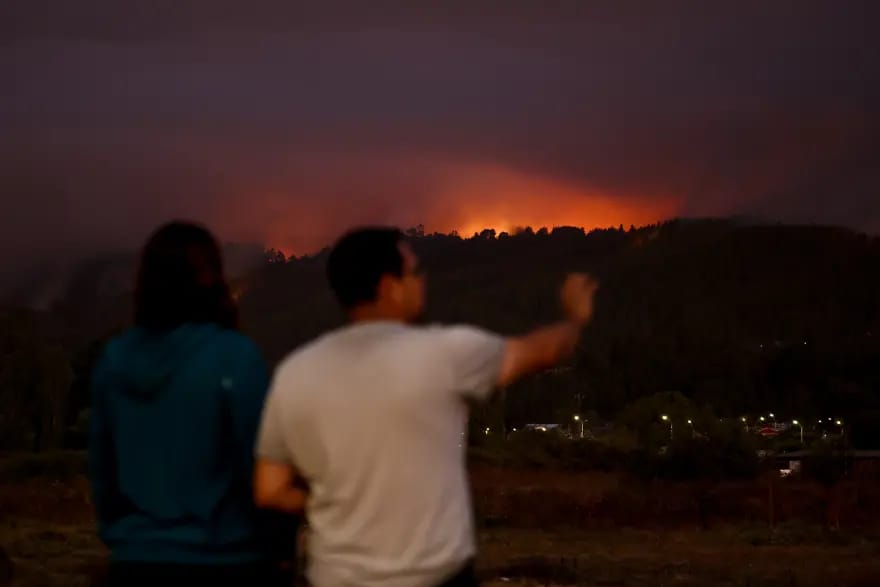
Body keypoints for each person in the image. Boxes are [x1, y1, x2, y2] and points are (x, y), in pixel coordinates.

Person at [253, 226, 599, 587]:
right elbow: (544, 351)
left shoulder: (295, 372)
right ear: (389, 287)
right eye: (415, 273)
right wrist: (576, 318)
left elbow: (270, 490)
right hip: (434, 577)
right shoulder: (443, 354)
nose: (422, 282)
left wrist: (333, 500)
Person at [89, 221, 294, 587]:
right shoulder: (234, 357)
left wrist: (124, 536)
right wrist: (279, 548)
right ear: (212, 278)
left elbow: (103, 470)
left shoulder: (114, 360)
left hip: (137, 561)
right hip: (227, 561)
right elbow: (258, 466)